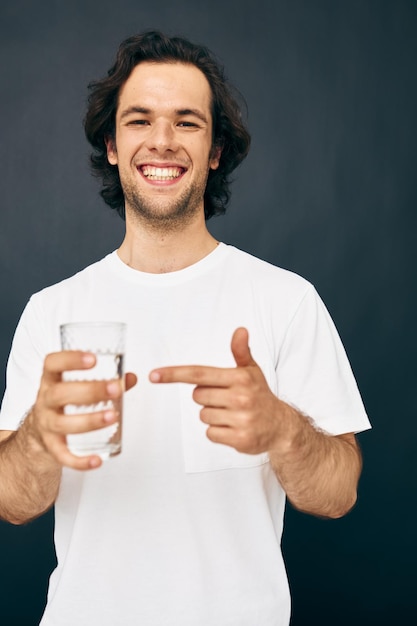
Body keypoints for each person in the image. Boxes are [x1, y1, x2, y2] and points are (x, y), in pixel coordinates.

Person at [0, 30, 370, 626]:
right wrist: (38, 438)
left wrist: (284, 431)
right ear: (113, 145)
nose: (163, 142)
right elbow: (13, 504)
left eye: (188, 123)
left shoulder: (286, 300)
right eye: (140, 120)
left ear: (217, 149)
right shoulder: (51, 311)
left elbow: (339, 494)